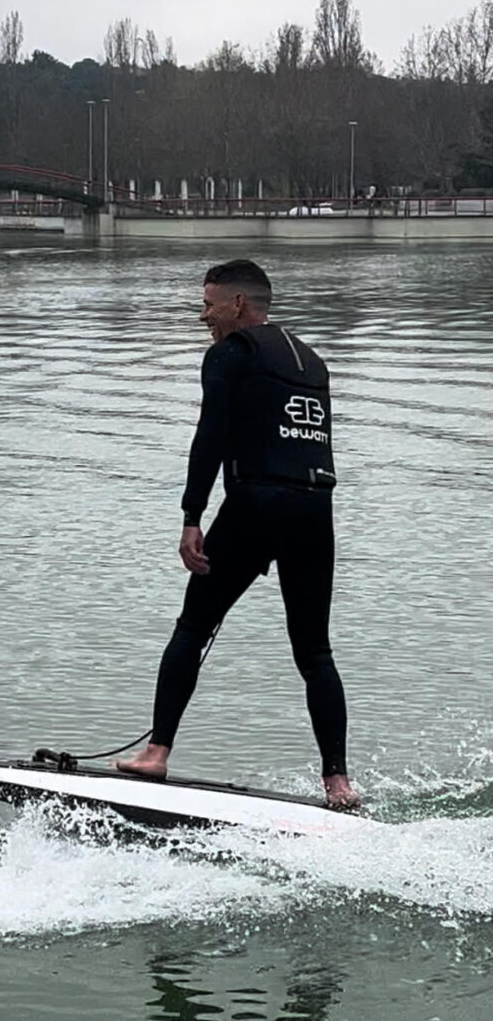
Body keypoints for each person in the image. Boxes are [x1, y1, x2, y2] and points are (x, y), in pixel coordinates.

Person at [116, 259, 359, 809]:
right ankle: (338, 783)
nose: (203, 316)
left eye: (208, 304)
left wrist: (191, 516)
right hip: (315, 509)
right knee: (315, 651)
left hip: (255, 505)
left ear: (238, 305)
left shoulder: (228, 354)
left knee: (193, 625)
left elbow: (211, 437)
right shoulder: (313, 360)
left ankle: (156, 753)